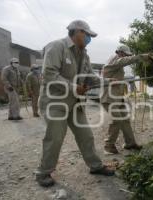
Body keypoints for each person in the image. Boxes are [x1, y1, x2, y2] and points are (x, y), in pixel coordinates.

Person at [36, 20, 114, 187]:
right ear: (77, 32)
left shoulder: (84, 55)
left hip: (75, 103)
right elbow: (49, 74)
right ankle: (43, 173)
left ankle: (95, 166)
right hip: (55, 102)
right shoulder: (57, 47)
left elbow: (90, 76)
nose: (89, 39)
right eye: (88, 35)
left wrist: (107, 81)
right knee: (55, 138)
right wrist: (73, 87)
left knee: (86, 135)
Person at [100, 45, 151, 154]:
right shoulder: (115, 60)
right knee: (117, 120)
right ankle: (108, 146)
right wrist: (142, 57)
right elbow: (126, 61)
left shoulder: (117, 64)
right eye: (126, 55)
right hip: (109, 98)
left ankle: (130, 143)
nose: (127, 57)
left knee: (125, 120)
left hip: (118, 98)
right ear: (121, 53)